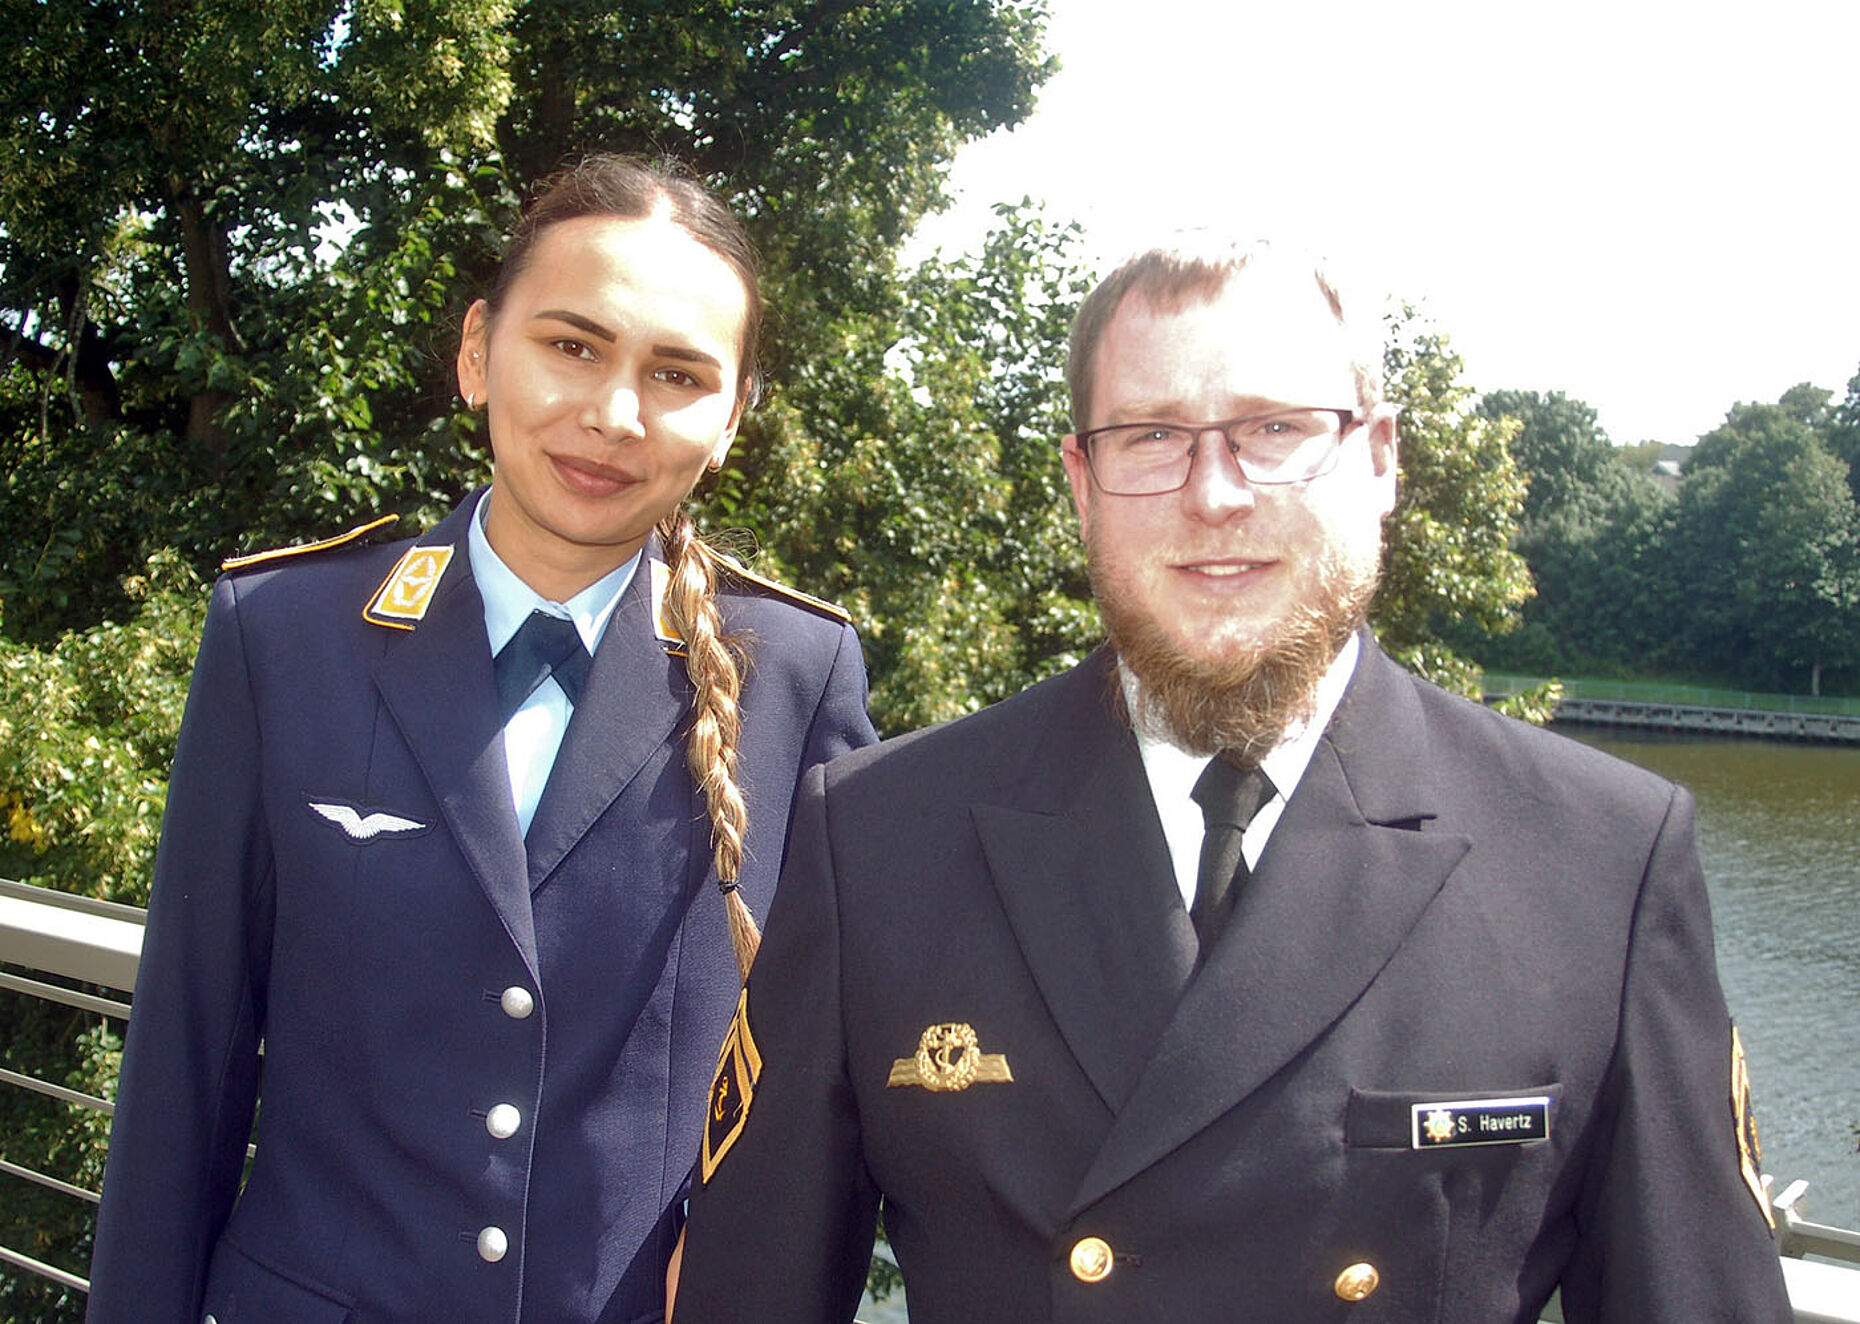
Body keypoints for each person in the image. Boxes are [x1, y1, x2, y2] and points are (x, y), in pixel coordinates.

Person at [671, 238, 1793, 1321]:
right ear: (1082, 478)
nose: (1214, 493)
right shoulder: (876, 841)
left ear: (1382, 457)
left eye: (1276, 428)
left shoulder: (1602, 862)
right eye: (1151, 435)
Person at [87, 154, 875, 1324]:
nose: (613, 414)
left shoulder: (796, 678)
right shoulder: (285, 637)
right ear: (476, 352)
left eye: (677, 374)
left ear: (731, 417)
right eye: (571, 345)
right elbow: (184, 1069)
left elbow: (825, 1078)